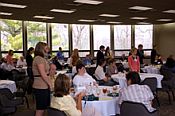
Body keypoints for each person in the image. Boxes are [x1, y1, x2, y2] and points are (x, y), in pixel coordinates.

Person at [32, 42, 51, 116]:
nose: (47, 50)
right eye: (46, 48)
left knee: (43, 108)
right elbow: (43, 74)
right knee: (40, 109)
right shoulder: (39, 59)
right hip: (40, 86)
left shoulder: (42, 58)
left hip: (43, 86)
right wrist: (50, 85)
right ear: (41, 49)